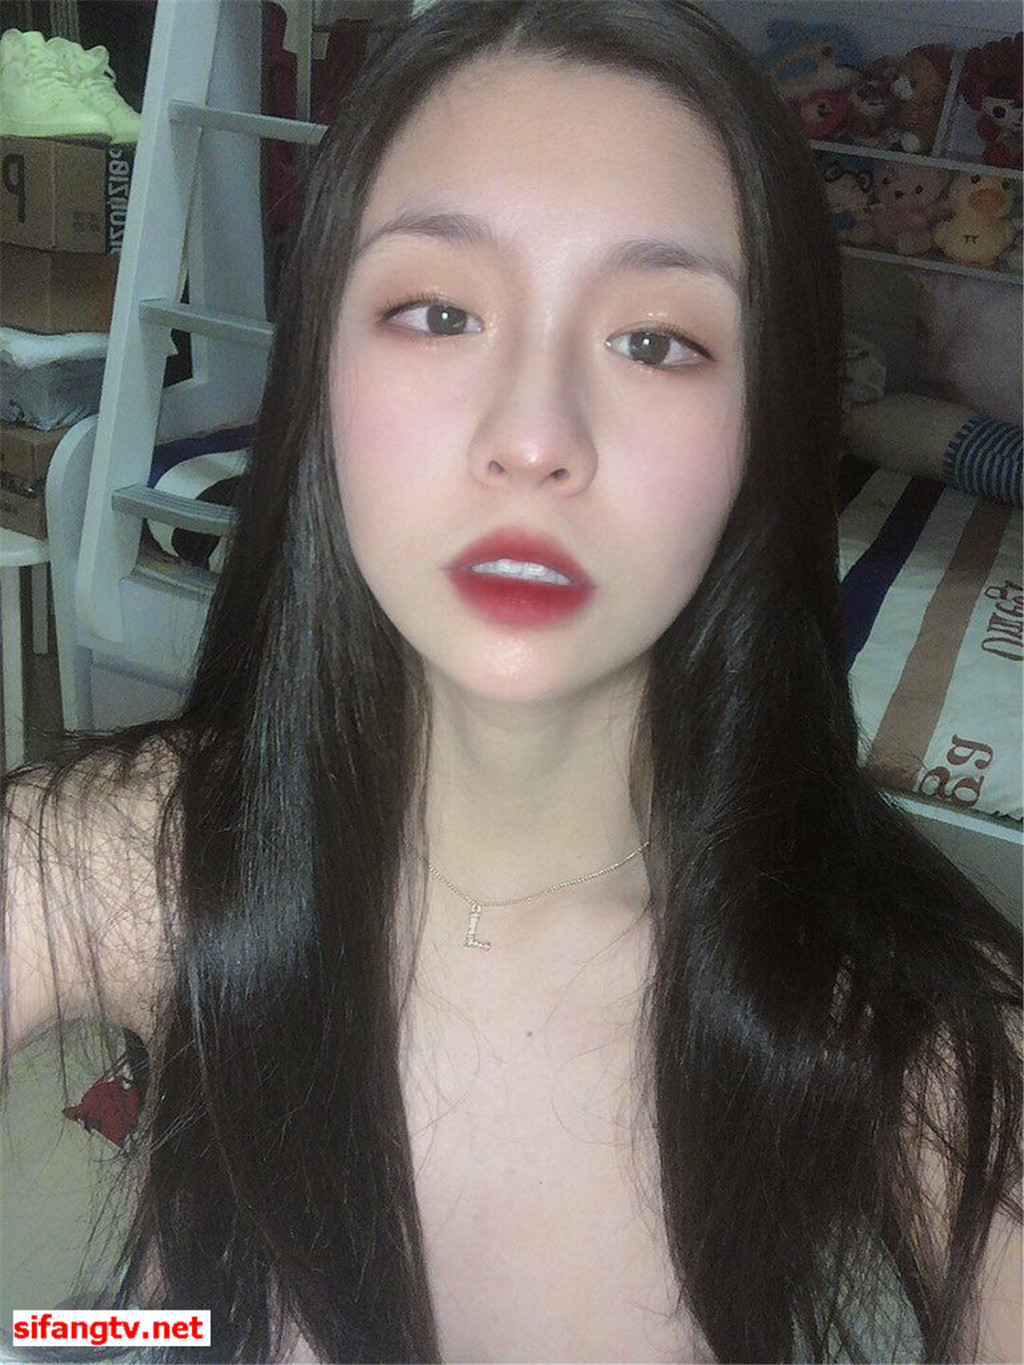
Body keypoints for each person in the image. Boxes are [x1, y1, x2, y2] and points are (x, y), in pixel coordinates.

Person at [2, 2, 1021, 1361]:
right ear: (320, 378)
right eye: (438, 313)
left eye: (655, 341)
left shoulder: (916, 1029)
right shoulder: (125, 858)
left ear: (763, 432)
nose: (535, 437)